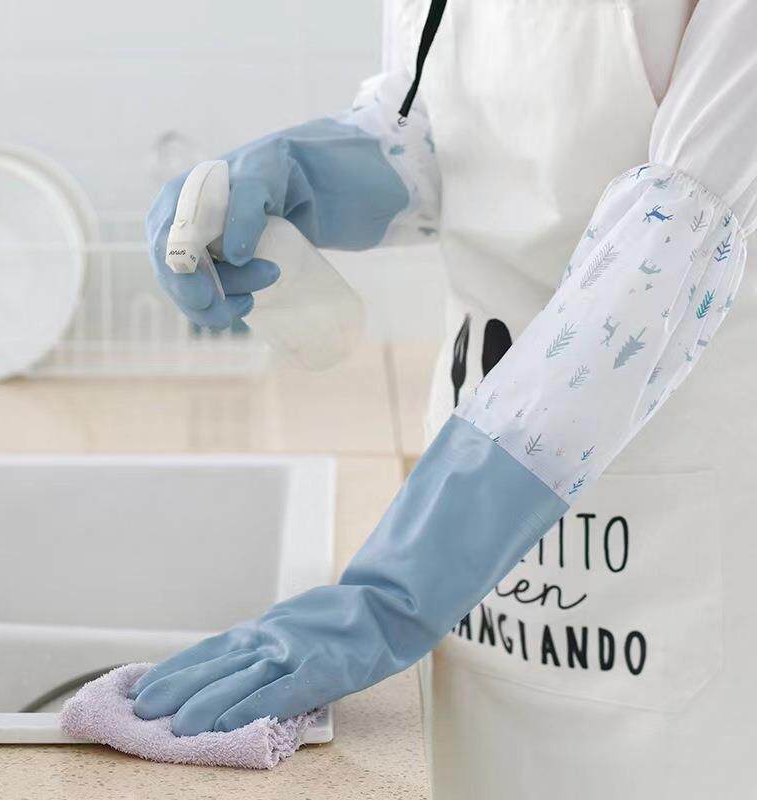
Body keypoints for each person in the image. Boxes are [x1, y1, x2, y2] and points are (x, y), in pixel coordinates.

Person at [133, 1, 757, 796]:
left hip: (671, 522)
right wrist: (309, 170)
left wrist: (395, 590)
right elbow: (441, 133)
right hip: (465, 522)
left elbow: (674, 242)